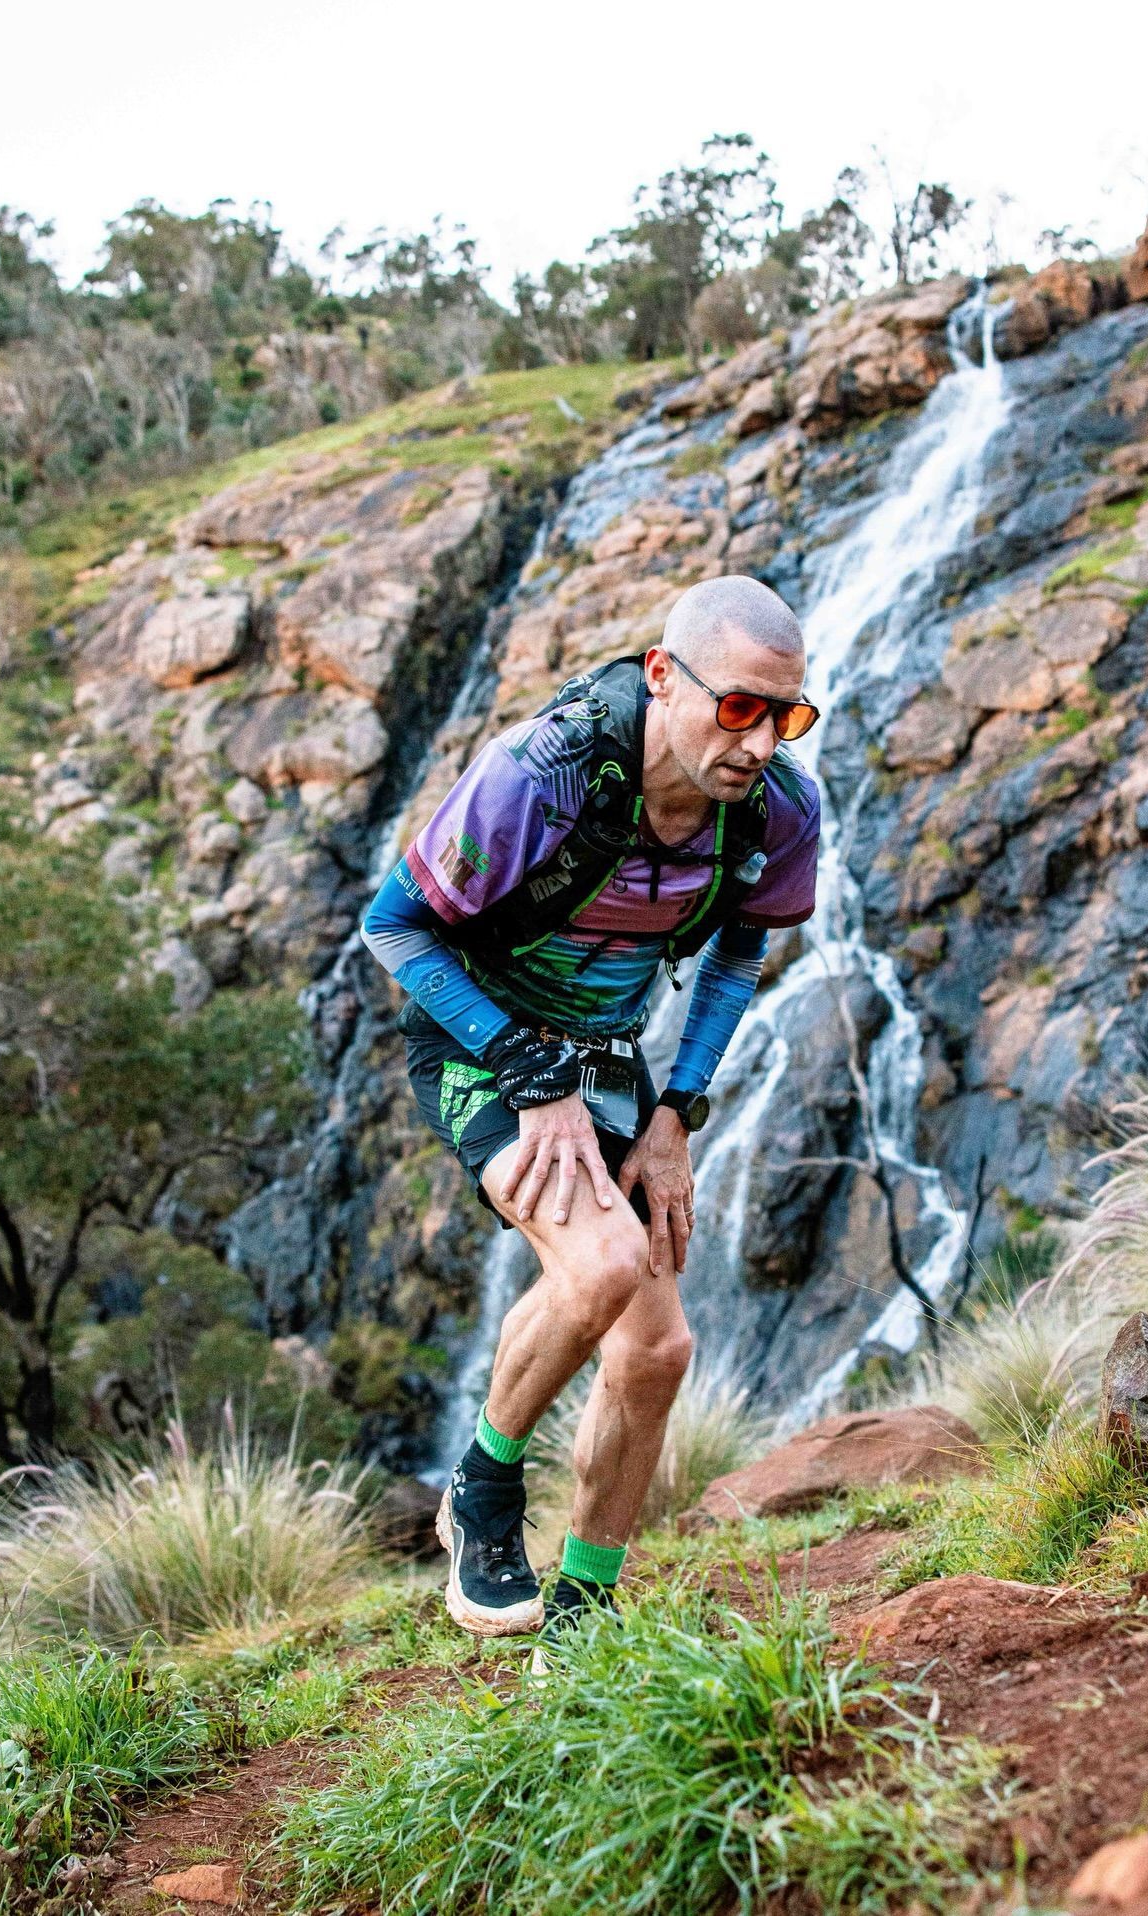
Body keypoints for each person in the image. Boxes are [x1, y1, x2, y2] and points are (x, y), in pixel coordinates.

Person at [361, 573, 822, 1650]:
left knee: (657, 1351)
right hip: (481, 1040)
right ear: (663, 675)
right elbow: (395, 926)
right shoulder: (543, 773)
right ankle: (481, 1485)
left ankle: (582, 1617)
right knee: (605, 1260)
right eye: (738, 707)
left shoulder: (778, 810)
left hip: (609, 1061)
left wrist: (676, 1116)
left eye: (786, 715)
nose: (758, 742)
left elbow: (740, 951)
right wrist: (531, 1075)